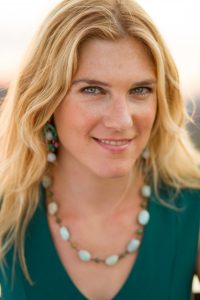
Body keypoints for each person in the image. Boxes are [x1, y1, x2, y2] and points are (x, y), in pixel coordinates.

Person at [0, 0, 200, 299]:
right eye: (93, 90)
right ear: (46, 99)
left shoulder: (191, 209)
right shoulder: (7, 212)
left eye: (140, 90)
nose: (121, 120)